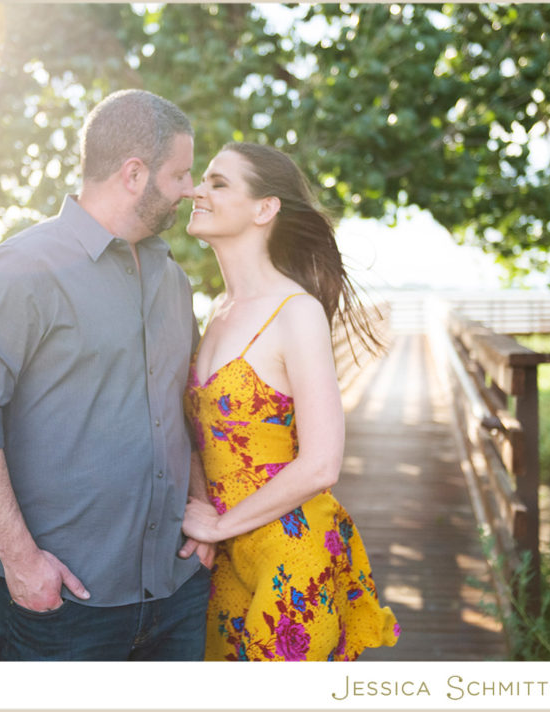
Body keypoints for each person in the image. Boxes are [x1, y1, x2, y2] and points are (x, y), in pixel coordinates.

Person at [0, 89, 214, 661]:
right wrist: (20, 560)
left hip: (177, 592)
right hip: (64, 605)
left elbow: (186, 406)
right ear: (135, 174)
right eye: (180, 174)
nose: (191, 189)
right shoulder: (19, 271)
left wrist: (201, 510)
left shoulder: (172, 279)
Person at [180, 142, 400, 661]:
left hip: (289, 549)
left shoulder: (296, 312)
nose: (196, 190)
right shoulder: (216, 309)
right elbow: (198, 436)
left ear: (265, 208)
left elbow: (322, 462)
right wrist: (206, 514)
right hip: (227, 557)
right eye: (201, 180)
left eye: (218, 182)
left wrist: (216, 524)